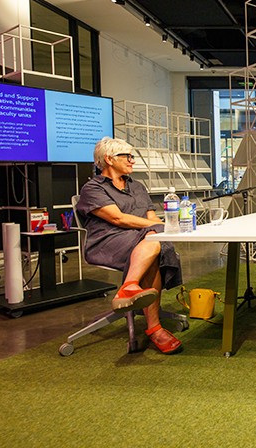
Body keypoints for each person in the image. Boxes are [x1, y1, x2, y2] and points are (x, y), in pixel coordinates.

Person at [76, 137, 183, 354]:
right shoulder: (92, 188)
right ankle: (153, 326)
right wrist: (160, 227)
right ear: (109, 159)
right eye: (128, 156)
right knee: (153, 241)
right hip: (107, 241)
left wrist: (160, 227)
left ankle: (130, 289)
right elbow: (118, 219)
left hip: (141, 238)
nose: (133, 161)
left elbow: (150, 216)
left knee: (154, 242)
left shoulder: (137, 186)